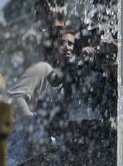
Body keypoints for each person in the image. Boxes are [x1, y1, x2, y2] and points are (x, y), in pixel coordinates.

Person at [7, 25, 76, 165]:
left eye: (70, 43)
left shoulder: (67, 76)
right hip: (22, 142)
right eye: (61, 42)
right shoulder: (43, 68)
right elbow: (15, 97)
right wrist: (34, 130)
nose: (67, 47)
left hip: (44, 147)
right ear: (53, 47)